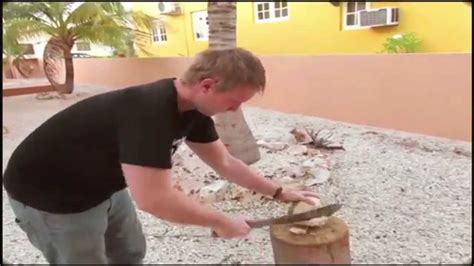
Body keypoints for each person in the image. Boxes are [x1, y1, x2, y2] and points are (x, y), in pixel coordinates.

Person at [3, 47, 318, 264]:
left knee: (129, 253)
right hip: (52, 198)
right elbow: (155, 200)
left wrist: (279, 191)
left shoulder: (193, 110)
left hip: (104, 186)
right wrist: (222, 221)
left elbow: (224, 162)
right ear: (207, 85)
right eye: (234, 101)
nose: (236, 110)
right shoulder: (149, 111)